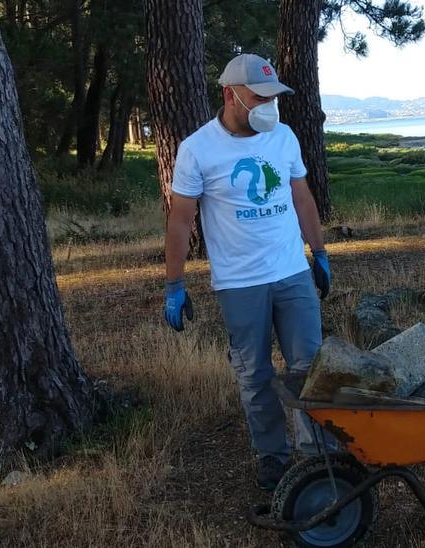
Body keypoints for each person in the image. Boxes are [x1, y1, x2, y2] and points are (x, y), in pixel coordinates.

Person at [161, 53, 331, 491]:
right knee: (255, 374)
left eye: (274, 97)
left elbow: (303, 198)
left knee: (309, 367)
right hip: (240, 283)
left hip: (291, 272)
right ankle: (273, 459)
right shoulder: (198, 148)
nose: (269, 106)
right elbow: (181, 219)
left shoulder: (284, 137)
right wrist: (175, 283)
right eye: (260, 97)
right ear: (230, 94)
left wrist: (320, 252)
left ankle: (319, 458)